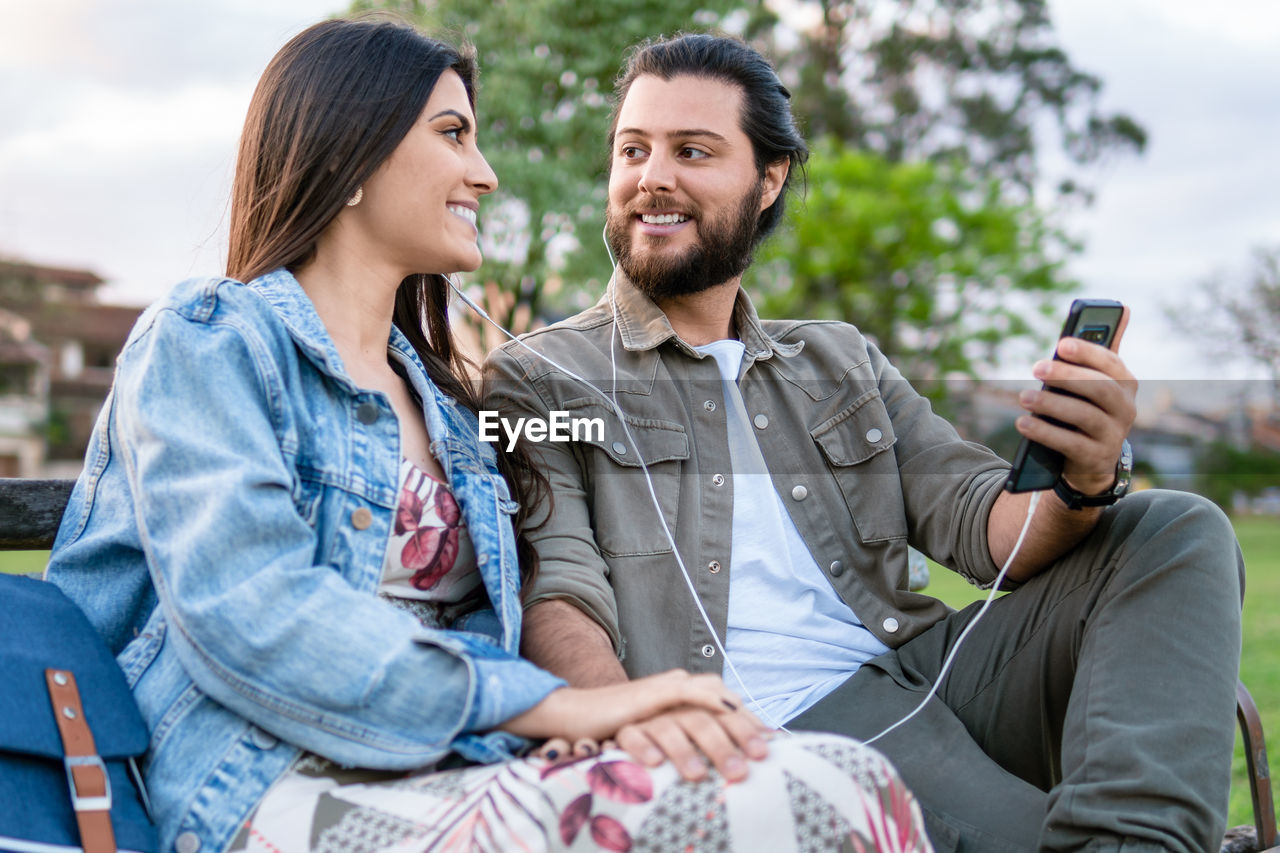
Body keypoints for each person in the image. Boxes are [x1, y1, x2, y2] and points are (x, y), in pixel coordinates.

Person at [44, 16, 932, 853]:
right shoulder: (212, 339)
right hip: (263, 783)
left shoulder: (445, 405)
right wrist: (556, 706)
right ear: (351, 154)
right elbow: (252, 614)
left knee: (847, 777)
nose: (486, 174)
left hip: (450, 766)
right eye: (452, 135)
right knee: (788, 807)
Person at [483, 32, 1245, 852]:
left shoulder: (838, 358)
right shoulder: (539, 377)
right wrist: (629, 724)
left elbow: (989, 528)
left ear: (768, 178)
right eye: (633, 149)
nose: (652, 176)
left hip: (928, 668)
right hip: (791, 721)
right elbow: (554, 585)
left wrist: (1082, 475)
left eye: (692, 150)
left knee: (1176, 528)